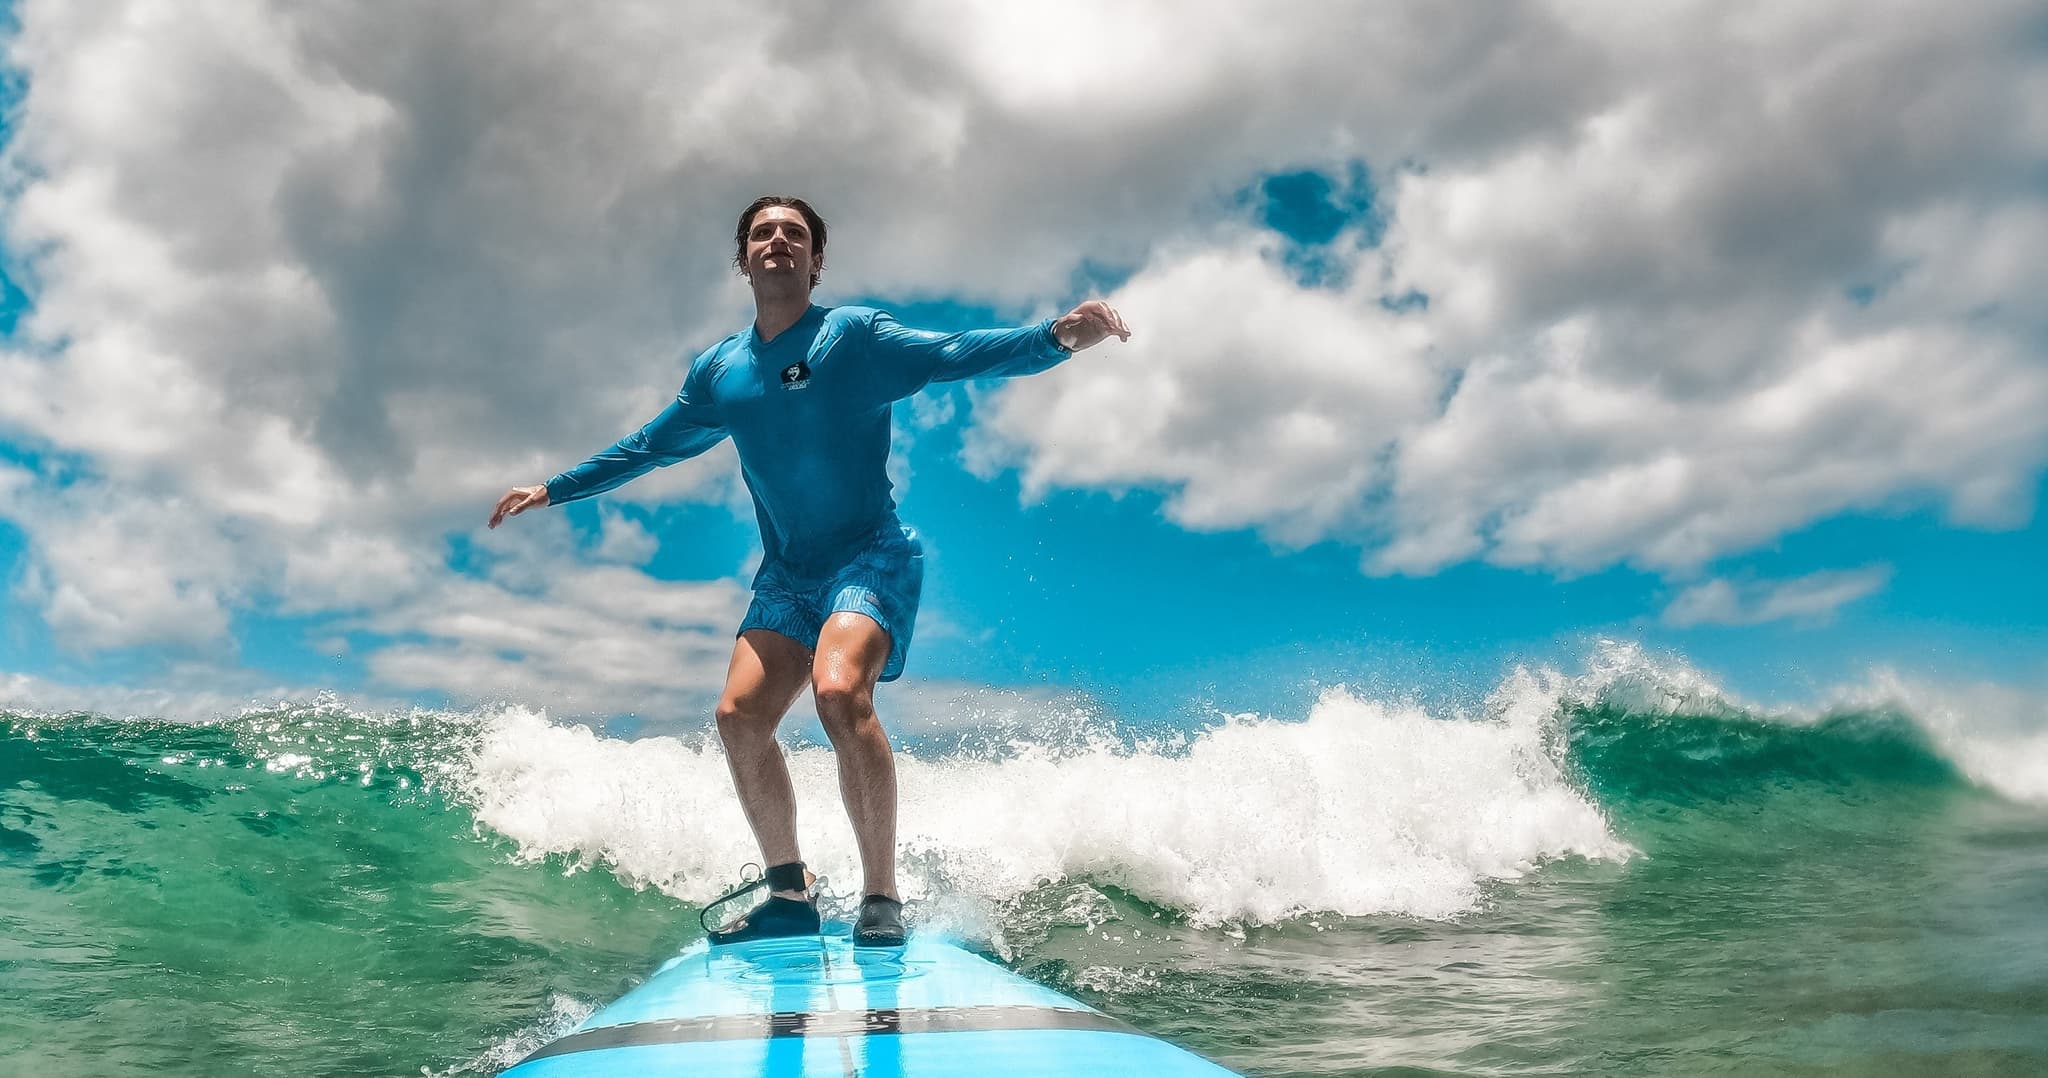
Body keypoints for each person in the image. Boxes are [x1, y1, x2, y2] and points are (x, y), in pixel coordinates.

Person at [488, 196, 1130, 946]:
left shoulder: (853, 337)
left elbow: (952, 352)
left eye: (794, 234)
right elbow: (650, 446)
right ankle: (790, 894)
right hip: (788, 577)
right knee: (738, 717)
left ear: (816, 260)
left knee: (838, 691)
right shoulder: (720, 371)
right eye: (763, 233)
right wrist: (555, 488)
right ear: (743, 259)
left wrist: (1055, 337)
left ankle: (881, 896)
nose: (778, 241)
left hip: (870, 557)